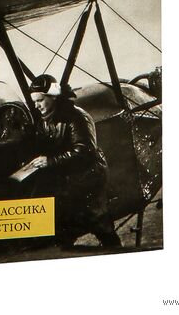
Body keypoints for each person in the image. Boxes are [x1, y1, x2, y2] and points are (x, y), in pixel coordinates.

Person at [27, 74, 121, 248]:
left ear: (53, 97)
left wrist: (50, 161)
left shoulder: (76, 117)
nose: (36, 106)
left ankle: (114, 249)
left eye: (40, 100)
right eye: (34, 102)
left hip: (88, 176)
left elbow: (85, 150)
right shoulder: (46, 118)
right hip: (66, 176)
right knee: (63, 227)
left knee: (98, 222)